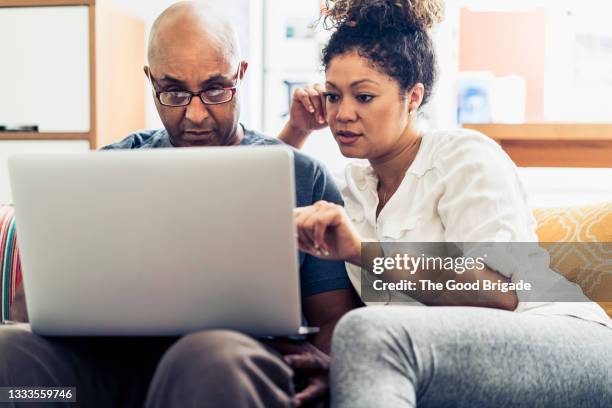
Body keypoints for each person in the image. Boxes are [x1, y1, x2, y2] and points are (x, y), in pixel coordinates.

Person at [0, 2, 361, 407]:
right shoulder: (108, 170)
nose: (195, 115)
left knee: (207, 357)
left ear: (240, 74)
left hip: (225, 369)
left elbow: (332, 317)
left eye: (214, 90)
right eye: (172, 91)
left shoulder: (301, 176)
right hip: (109, 374)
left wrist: (330, 365)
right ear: (150, 80)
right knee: (9, 354)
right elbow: (25, 310)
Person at [278, 0, 612, 407]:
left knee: (367, 331)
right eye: (332, 96)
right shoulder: (355, 187)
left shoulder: (464, 155)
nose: (342, 114)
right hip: (447, 357)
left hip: (563, 340)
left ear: (412, 96)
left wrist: (367, 254)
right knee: (344, 344)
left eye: (363, 97)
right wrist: (296, 131)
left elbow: (500, 294)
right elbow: (270, 204)